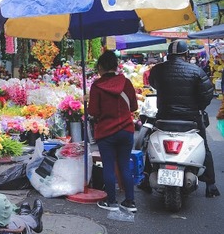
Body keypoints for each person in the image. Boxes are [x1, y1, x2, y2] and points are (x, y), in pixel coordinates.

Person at [149, 40, 220, 197]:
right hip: (191, 119)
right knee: (204, 147)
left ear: (168, 54)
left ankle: (145, 180)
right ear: (186, 54)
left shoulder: (157, 70)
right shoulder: (196, 71)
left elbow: (153, 84)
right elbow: (207, 95)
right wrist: (197, 107)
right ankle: (211, 185)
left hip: (164, 118)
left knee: (149, 141)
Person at [88, 50, 138, 212]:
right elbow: (134, 107)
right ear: (116, 66)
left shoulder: (97, 86)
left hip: (106, 132)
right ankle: (130, 202)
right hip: (126, 131)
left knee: (109, 166)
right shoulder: (127, 83)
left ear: (101, 67)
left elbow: (93, 112)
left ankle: (112, 202)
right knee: (124, 165)